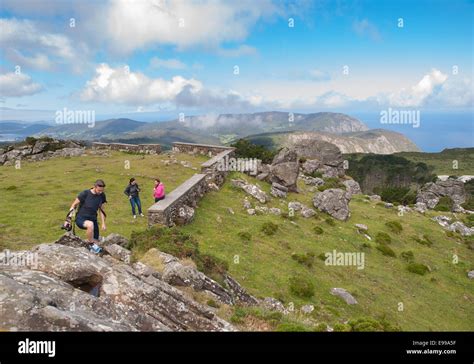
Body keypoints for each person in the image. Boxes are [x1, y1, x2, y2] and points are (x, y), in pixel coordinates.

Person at [68, 179, 107, 250]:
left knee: (96, 242)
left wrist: (103, 223)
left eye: (102, 190)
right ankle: (91, 244)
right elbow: (74, 205)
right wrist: (68, 219)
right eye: (99, 190)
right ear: (94, 187)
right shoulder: (85, 193)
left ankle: (93, 250)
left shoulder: (102, 196)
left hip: (93, 220)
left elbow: (101, 210)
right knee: (90, 225)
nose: (100, 192)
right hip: (81, 219)